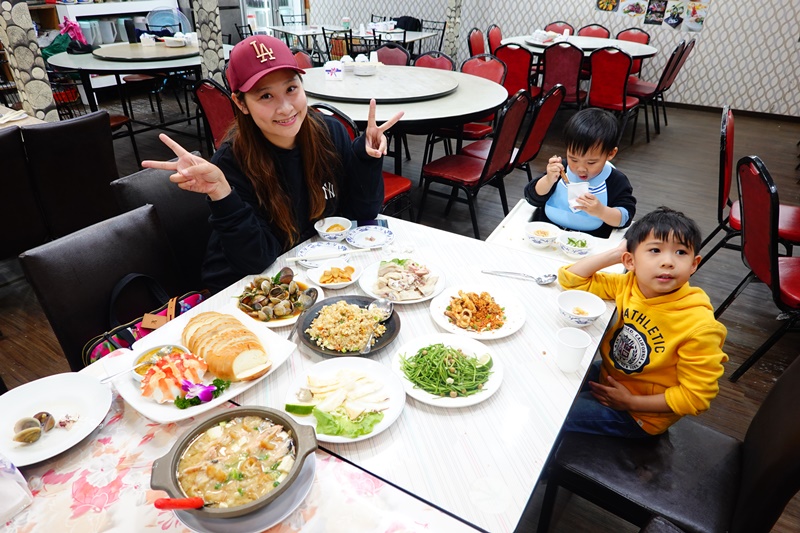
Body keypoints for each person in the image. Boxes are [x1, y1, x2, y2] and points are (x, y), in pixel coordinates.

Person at [142, 35, 403, 293]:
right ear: (241, 103)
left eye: (291, 89)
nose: (286, 108)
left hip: (306, 269)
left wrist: (365, 158)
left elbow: (361, 214)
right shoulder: (232, 162)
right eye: (266, 96)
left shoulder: (329, 132)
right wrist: (221, 192)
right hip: (243, 287)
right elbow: (255, 260)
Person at [558, 207, 728, 437]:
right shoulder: (631, 284)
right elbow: (572, 280)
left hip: (639, 415)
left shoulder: (700, 326)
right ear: (630, 260)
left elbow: (696, 397)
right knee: (553, 378)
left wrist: (631, 402)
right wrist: (615, 255)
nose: (668, 262)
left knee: (556, 415)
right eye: (655, 250)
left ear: (694, 264)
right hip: (613, 375)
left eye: (680, 253)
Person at [523, 108, 635, 239]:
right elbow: (531, 197)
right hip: (548, 234)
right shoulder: (561, 169)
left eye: (591, 162)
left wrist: (601, 211)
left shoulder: (616, 181)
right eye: (573, 159)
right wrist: (548, 180)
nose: (581, 168)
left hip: (590, 241)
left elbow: (625, 219)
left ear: (610, 153)